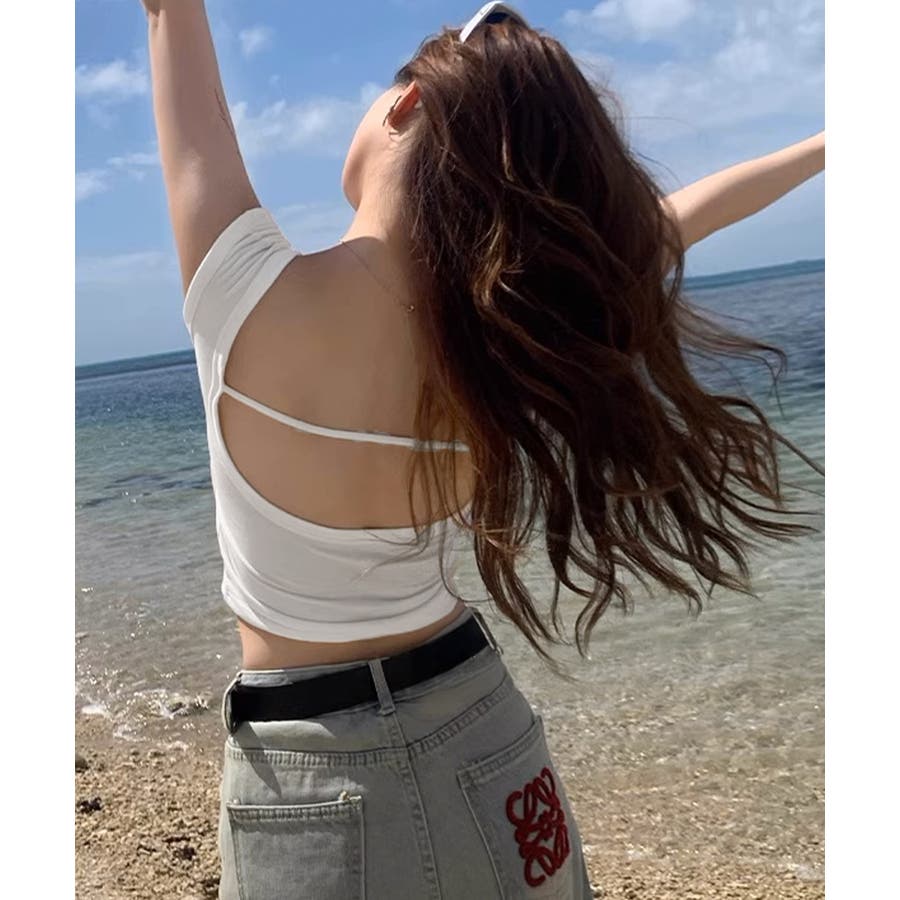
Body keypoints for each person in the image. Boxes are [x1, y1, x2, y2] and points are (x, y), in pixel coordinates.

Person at [140, 2, 825, 897]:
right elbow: (690, 214)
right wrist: (832, 144)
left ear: (406, 104)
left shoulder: (247, 294)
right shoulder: (504, 332)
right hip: (487, 736)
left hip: (310, 770)